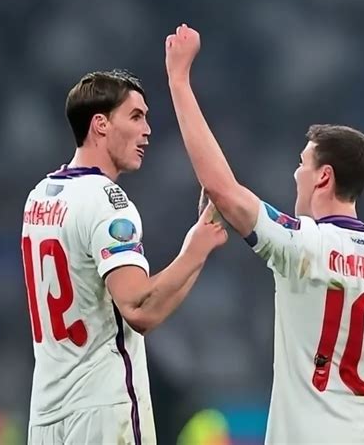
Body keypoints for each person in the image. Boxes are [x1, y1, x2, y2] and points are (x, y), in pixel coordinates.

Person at [165, 24, 364, 444]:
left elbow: (224, 190)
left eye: (303, 164)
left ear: (324, 177)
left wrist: (179, 79)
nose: (296, 173)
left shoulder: (303, 244)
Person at [21, 69, 227, 445]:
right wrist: (195, 249)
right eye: (135, 116)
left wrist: (198, 247)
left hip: (46, 413)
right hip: (102, 409)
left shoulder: (40, 196)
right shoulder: (108, 201)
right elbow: (141, 310)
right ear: (100, 124)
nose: (147, 129)